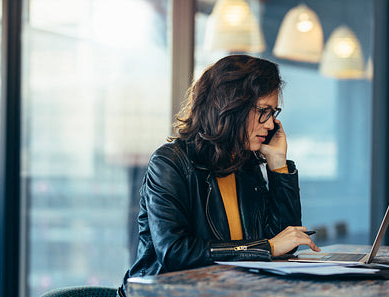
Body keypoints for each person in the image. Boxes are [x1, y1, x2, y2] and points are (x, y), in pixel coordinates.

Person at [118, 54, 320, 297]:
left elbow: (284, 244)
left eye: (273, 113)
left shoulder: (245, 165)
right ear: (232, 107)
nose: (271, 125)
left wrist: (277, 165)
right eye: (264, 111)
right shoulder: (170, 162)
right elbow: (175, 252)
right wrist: (265, 247)